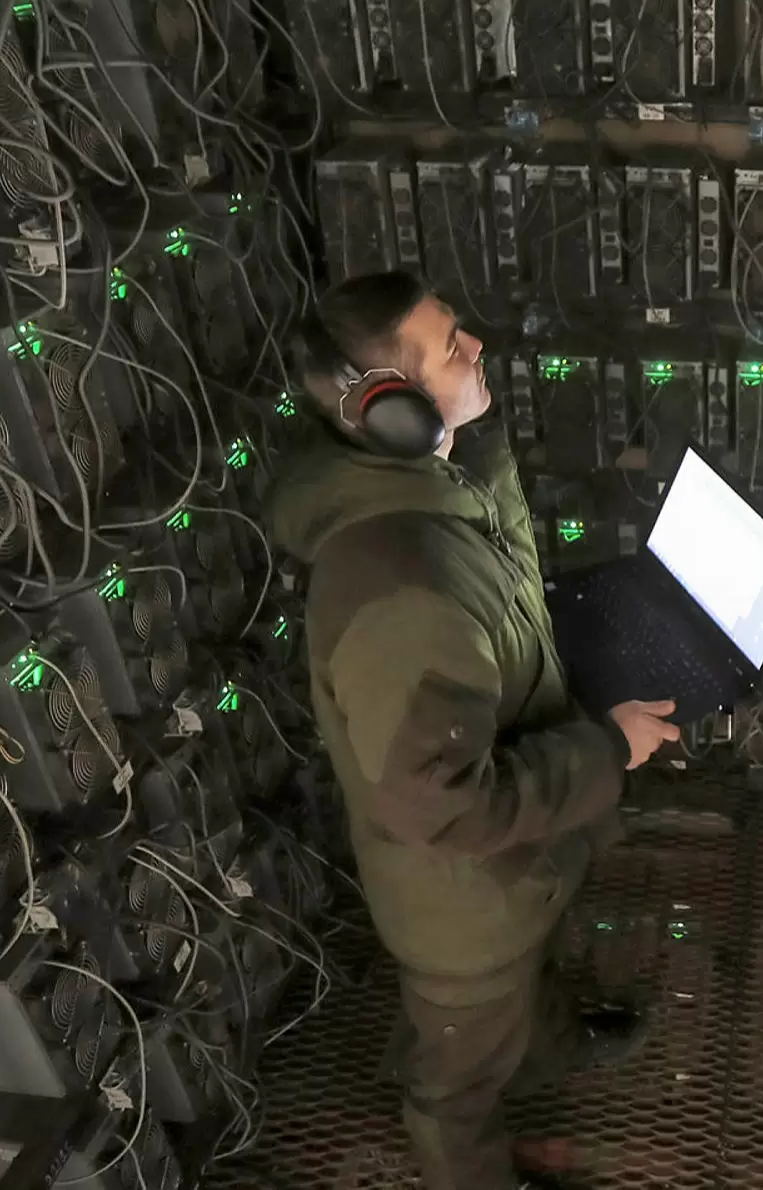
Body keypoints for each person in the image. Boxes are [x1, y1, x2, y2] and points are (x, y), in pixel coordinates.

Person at [267, 269, 682, 1190]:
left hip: (513, 883)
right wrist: (610, 748)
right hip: (463, 910)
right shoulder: (400, 581)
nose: (479, 347)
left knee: (523, 985)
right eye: (452, 346)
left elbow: (498, 586)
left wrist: (468, 434)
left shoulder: (432, 484)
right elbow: (445, 807)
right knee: (453, 1089)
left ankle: (550, 1047)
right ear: (390, 409)